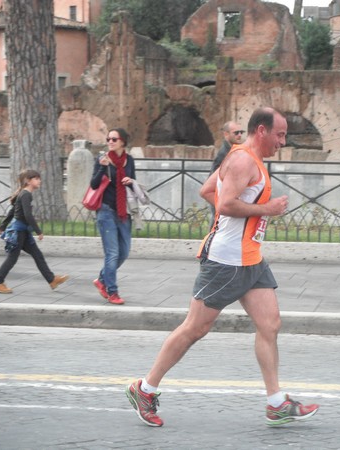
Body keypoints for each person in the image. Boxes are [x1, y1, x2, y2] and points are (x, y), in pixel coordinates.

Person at [125, 107, 319, 428]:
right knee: (195, 329)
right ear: (261, 131)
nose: (283, 141)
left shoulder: (244, 158)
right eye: (279, 134)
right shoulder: (243, 160)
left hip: (251, 259)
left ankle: (276, 403)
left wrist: (252, 215)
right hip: (225, 261)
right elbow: (225, 204)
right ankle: (144, 389)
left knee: (269, 325)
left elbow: (207, 190)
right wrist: (264, 209)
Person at [0, 170, 69, 294]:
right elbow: (28, 215)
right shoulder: (26, 194)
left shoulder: (23, 193)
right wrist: (38, 231)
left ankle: (52, 280)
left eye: (39, 178)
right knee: (12, 258)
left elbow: (13, 211)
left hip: (24, 232)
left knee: (37, 255)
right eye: (36, 178)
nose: (40, 181)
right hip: (19, 232)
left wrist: (2, 226)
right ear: (28, 180)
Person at [90, 128, 137, 305]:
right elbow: (94, 185)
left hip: (124, 211)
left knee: (123, 253)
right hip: (106, 210)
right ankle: (112, 291)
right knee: (112, 253)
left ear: (122, 142)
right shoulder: (103, 159)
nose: (110, 141)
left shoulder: (129, 160)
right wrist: (102, 168)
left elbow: (133, 182)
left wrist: (130, 182)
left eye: (114, 139)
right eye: (108, 139)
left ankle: (102, 279)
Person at [209, 121, 245, 219]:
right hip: (221, 198)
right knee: (217, 227)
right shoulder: (224, 153)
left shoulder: (234, 150)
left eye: (241, 132)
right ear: (226, 134)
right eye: (236, 133)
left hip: (227, 198)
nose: (239, 135)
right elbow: (214, 180)